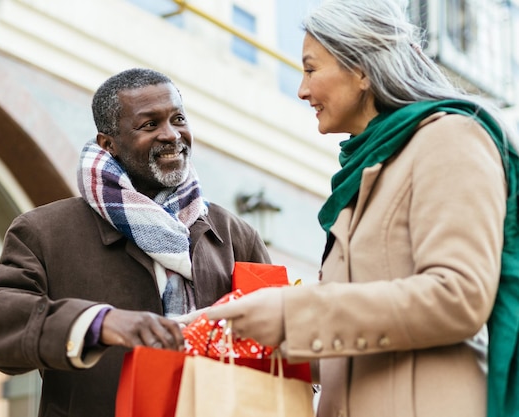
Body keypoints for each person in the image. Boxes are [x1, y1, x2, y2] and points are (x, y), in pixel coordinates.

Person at [207, 1, 519, 417]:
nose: (302, 90)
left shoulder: (451, 137)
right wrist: (250, 336)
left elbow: (458, 297)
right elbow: (355, 342)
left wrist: (291, 313)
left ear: (362, 70)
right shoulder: (364, 175)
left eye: (311, 69)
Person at [0, 68, 271, 417]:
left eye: (178, 118)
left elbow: (278, 332)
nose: (171, 135)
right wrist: (99, 323)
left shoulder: (236, 235)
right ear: (108, 143)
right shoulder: (44, 231)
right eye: (149, 125)